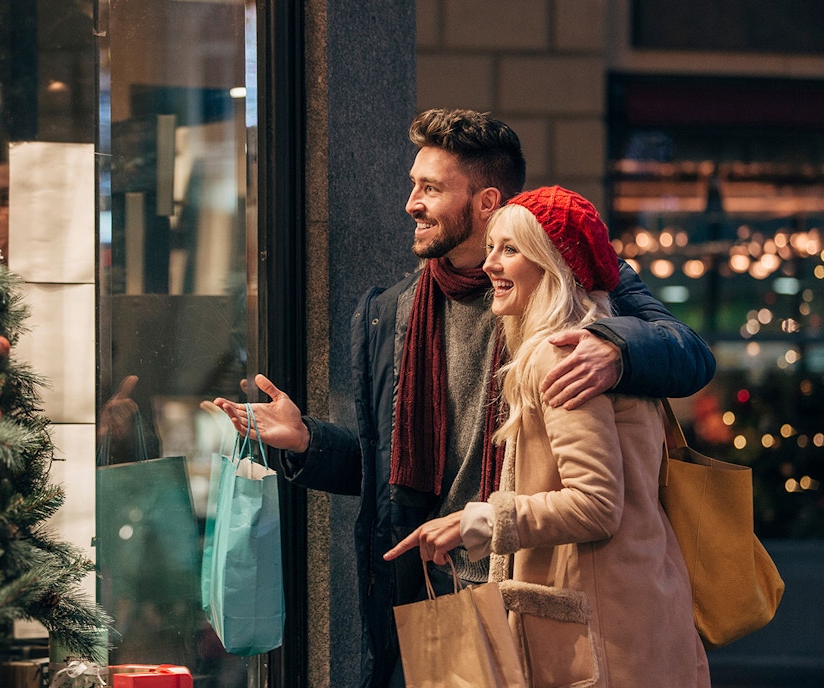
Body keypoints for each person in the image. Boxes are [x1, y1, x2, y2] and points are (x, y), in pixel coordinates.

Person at [213, 108, 715, 687]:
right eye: (412, 185)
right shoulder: (392, 313)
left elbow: (690, 353)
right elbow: (390, 466)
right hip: (442, 588)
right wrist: (306, 441)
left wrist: (614, 347)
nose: (411, 203)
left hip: (542, 587)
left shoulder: (578, 284)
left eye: (430, 188)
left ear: (486, 202)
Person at [385, 185, 711, 686]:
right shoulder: (599, 340)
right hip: (633, 612)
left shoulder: (561, 353)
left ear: (555, 264)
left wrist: (480, 520)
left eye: (510, 250)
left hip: (603, 639)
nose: (490, 264)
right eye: (492, 247)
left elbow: (596, 504)